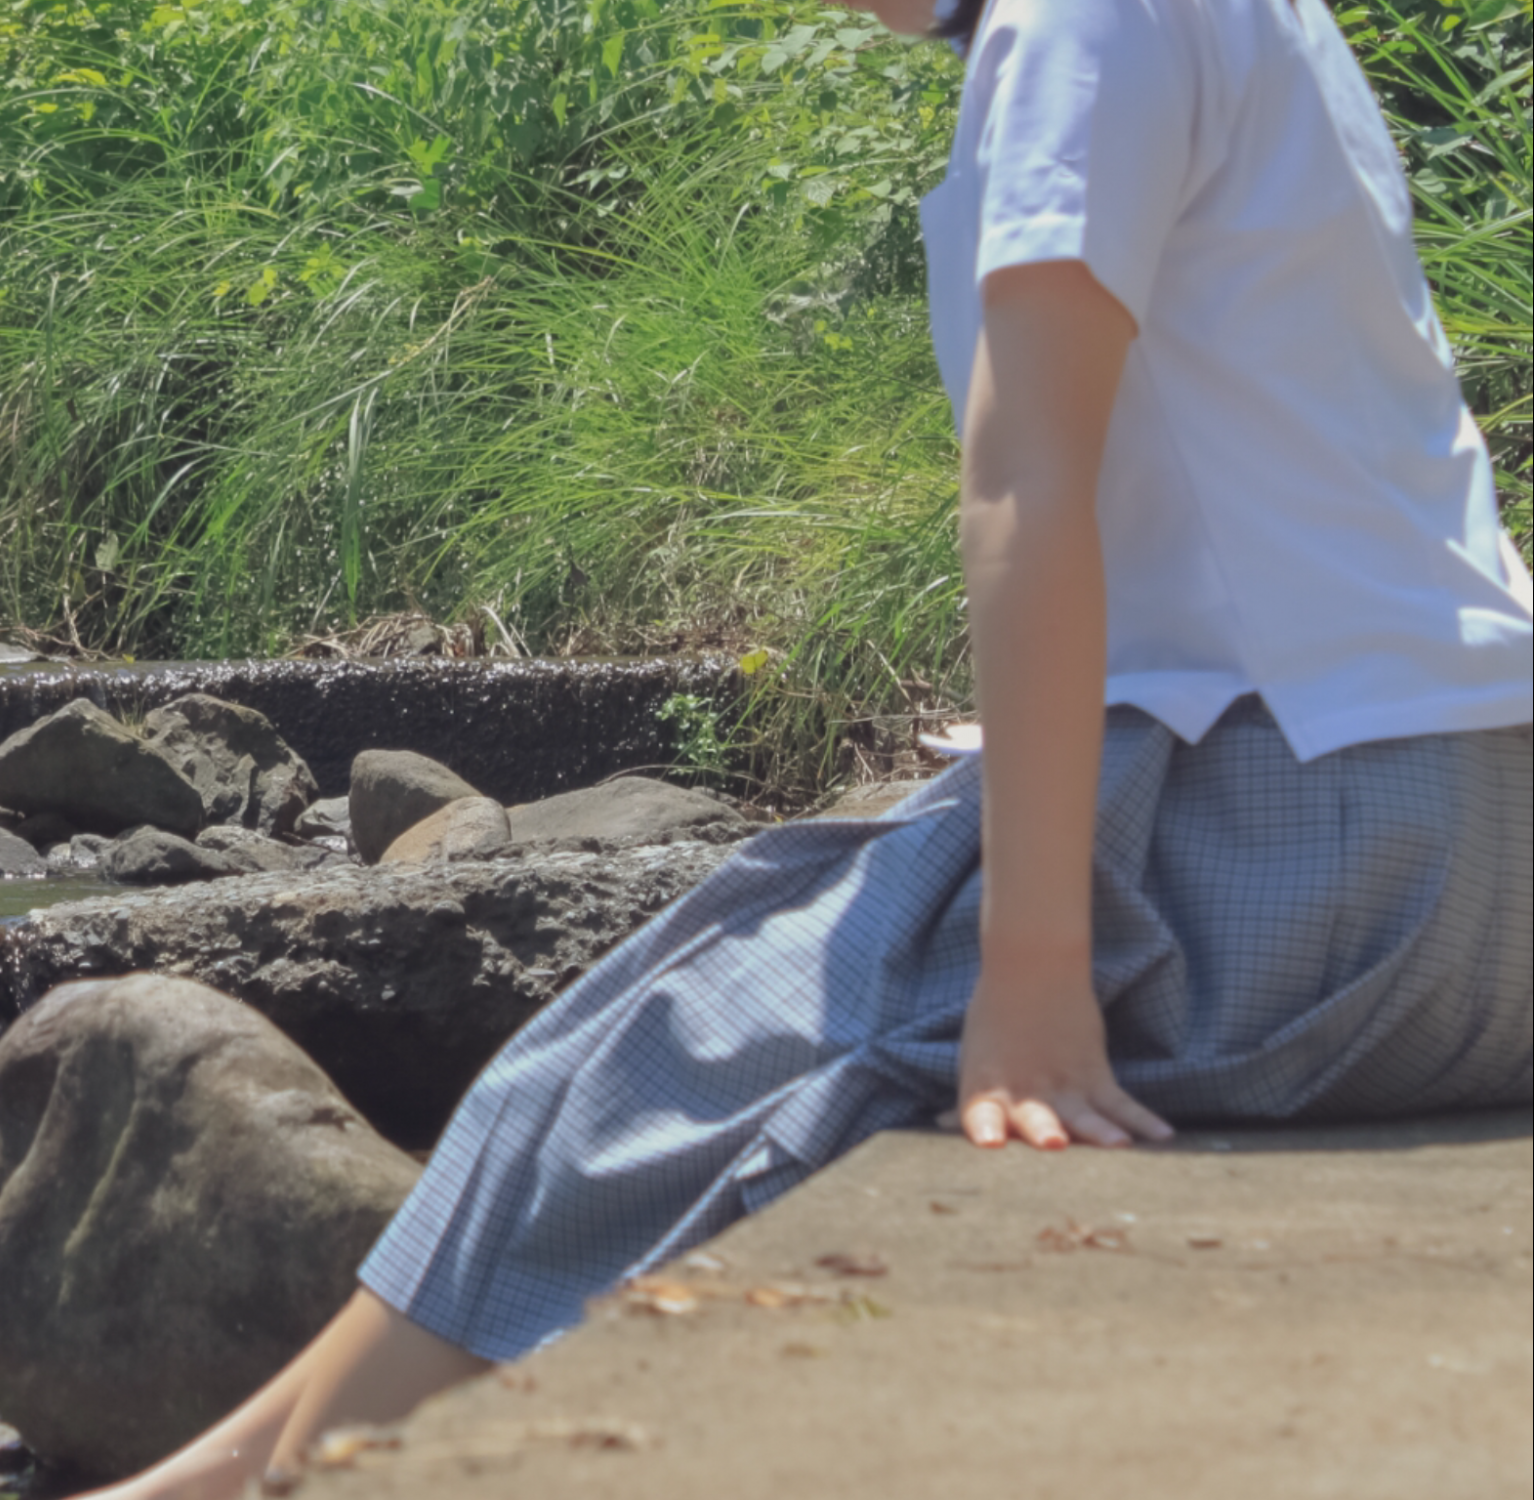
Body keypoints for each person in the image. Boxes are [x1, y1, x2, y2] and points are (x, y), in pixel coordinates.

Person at [85, 0, 1534, 1493]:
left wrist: (1035, 975)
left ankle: (289, 1479)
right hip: (1484, 859)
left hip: (1351, 860)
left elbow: (1030, 481)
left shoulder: (1074, 28)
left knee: (689, 1032)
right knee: (694, 983)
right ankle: (227, 1472)